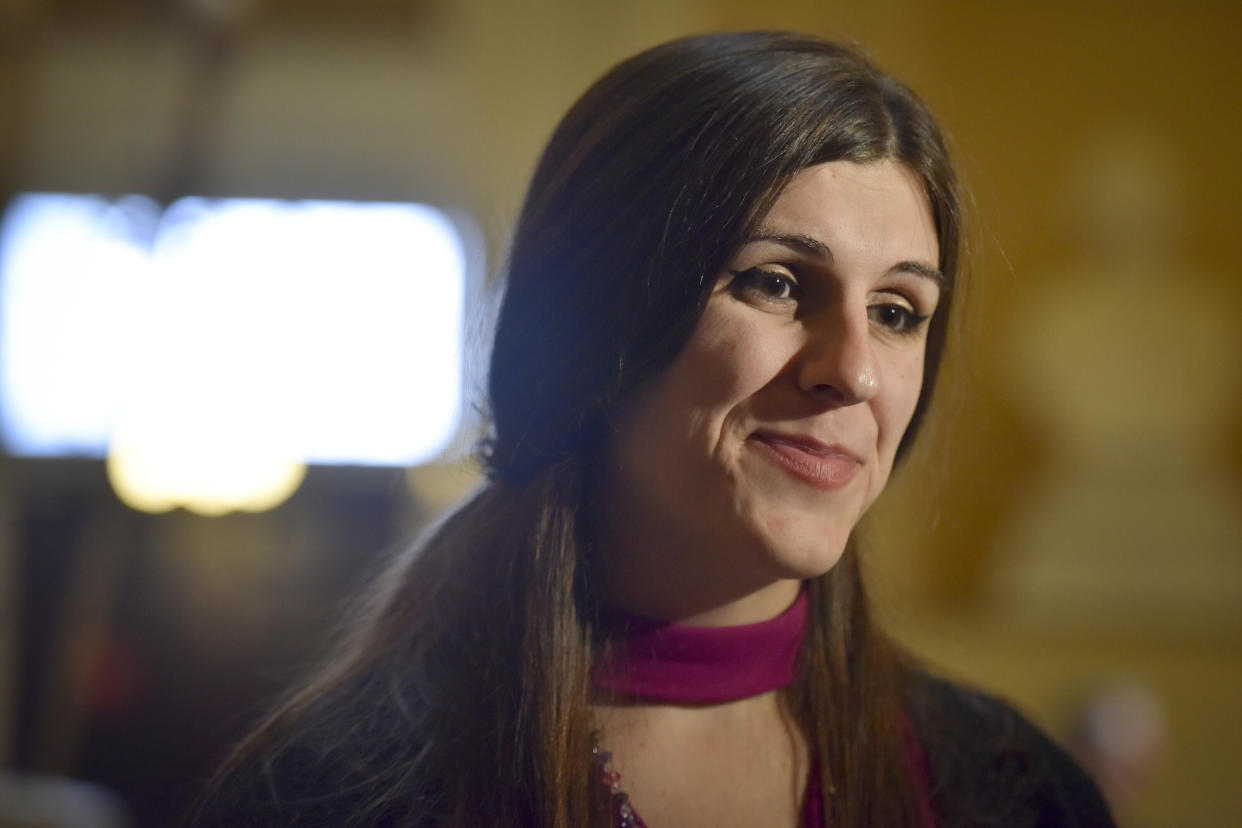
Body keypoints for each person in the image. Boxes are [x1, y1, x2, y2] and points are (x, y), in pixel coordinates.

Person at [188, 31, 1115, 828]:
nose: (856, 369)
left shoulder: (1017, 794)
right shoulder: (336, 796)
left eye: (900, 311)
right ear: (602, 322)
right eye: (778, 283)